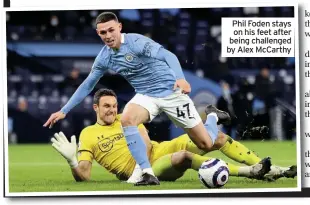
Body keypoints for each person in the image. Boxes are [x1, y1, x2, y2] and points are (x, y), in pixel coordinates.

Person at [42, 12, 272, 186]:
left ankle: (212, 116)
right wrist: (64, 110)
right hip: (146, 96)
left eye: (111, 30)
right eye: (103, 33)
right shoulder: (104, 58)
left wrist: (181, 79)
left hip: (172, 93)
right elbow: (88, 84)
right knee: (128, 118)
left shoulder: (137, 42)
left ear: (119, 27)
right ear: (98, 34)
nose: (108, 36)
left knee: (206, 143)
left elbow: (168, 55)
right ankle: (146, 172)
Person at [51, 89, 297, 183]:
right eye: (106, 106)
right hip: (151, 168)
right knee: (184, 156)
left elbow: (146, 146)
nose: (112, 110)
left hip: (154, 155)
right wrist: (73, 161)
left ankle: (270, 168)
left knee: (217, 139)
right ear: (95, 108)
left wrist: (142, 167)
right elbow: (83, 176)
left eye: (114, 105)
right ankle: (251, 172)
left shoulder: (127, 117)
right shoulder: (89, 134)